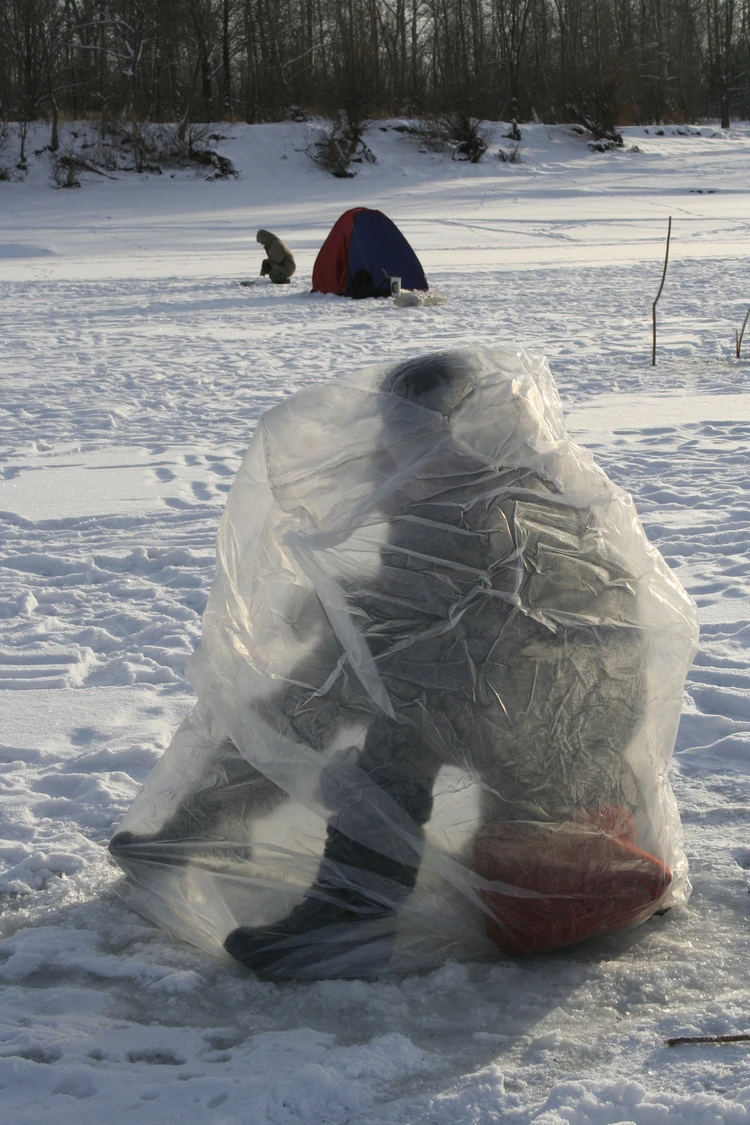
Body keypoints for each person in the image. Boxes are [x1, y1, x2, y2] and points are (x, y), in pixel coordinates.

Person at [111, 352, 649, 978]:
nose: (389, 457)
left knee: (403, 726)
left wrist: (363, 645)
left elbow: (498, 644)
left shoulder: (507, 508)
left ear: (463, 434)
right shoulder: (456, 491)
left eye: (410, 436)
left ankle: (347, 915)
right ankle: (209, 822)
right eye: (394, 434)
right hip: (506, 700)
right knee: (317, 680)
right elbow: (431, 614)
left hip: (561, 739)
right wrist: (350, 614)